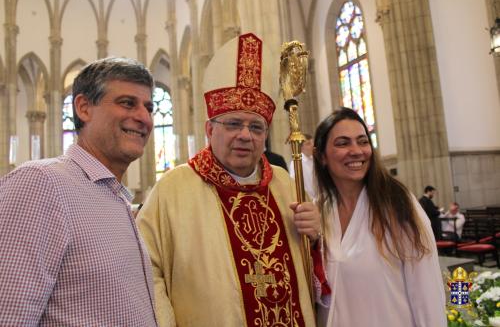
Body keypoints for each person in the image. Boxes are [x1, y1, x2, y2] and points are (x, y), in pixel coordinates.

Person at [137, 33, 320, 326]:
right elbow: (145, 271)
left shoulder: (286, 185)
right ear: (210, 130)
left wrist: (315, 238)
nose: (245, 135)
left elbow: (313, 271)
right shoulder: (173, 189)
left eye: (256, 127)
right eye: (234, 123)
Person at [0, 57, 161, 326]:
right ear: (84, 108)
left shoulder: (114, 196)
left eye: (149, 107)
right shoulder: (41, 184)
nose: (144, 118)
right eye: (127, 103)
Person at [313, 107, 445, 326]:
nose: (356, 151)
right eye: (343, 143)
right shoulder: (319, 211)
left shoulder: (397, 203)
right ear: (321, 156)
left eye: (363, 141)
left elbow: (426, 290)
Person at [289, 133, 316, 199]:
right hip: (307, 199)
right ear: (300, 148)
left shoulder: (315, 160)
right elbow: (295, 184)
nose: (313, 146)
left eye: (313, 143)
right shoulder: (296, 162)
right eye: (308, 144)